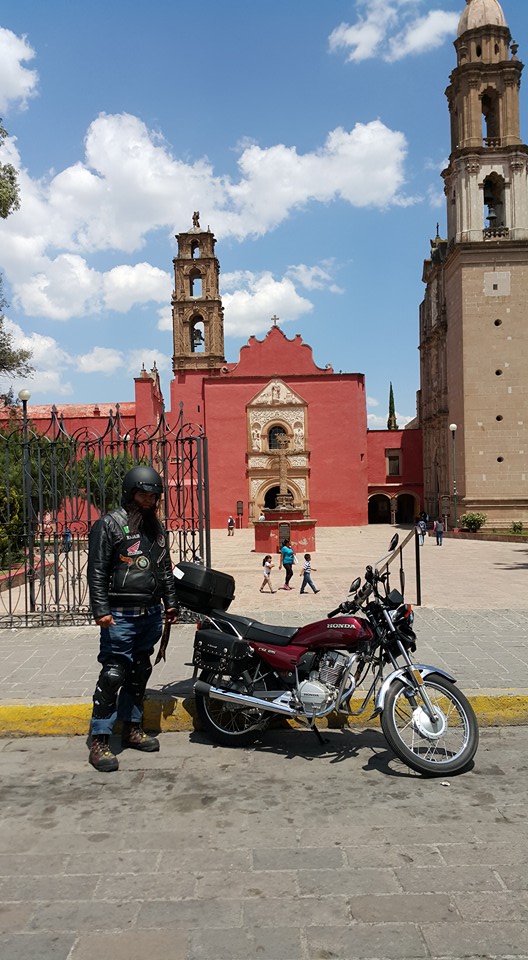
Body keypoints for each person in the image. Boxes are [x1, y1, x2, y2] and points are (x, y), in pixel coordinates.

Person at [87, 465, 178, 773]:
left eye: (153, 497)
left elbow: (165, 569)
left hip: (150, 614)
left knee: (140, 671)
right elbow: (97, 570)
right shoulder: (109, 525)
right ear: (130, 495)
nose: (148, 502)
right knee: (114, 674)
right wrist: (100, 609)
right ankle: (99, 739)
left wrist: (171, 603)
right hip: (120, 616)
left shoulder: (156, 529)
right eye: (143, 495)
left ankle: (131, 728)